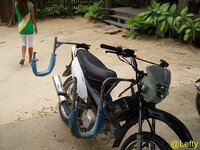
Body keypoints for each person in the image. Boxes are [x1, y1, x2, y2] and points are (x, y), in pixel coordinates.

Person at [14, 0, 38, 65]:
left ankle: (23, 57)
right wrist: (35, 27)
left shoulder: (16, 4)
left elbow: (18, 1)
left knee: (23, 43)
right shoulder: (30, 6)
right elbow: (33, 18)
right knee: (30, 44)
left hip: (21, 27)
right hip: (29, 27)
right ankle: (30, 60)